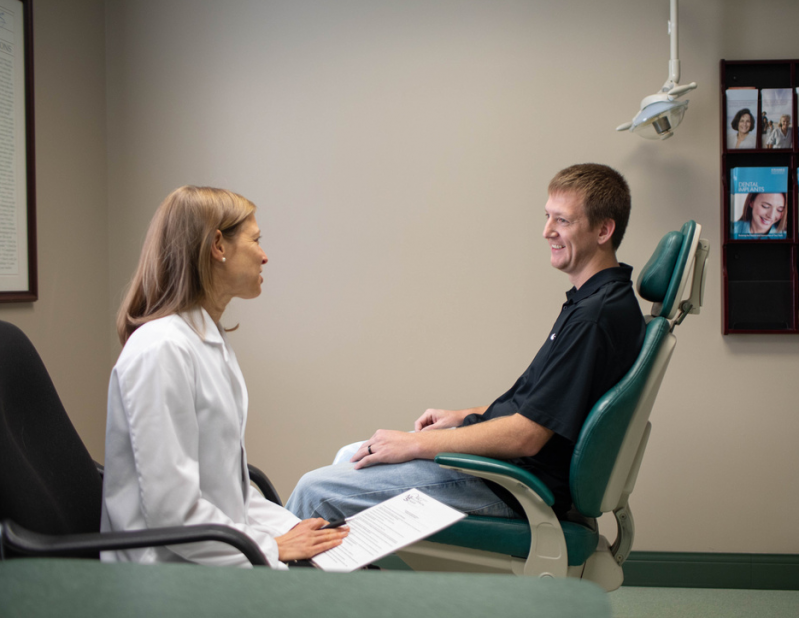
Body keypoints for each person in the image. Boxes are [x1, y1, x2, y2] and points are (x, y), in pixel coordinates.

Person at [286, 164, 646, 522]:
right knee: (350, 455)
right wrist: (462, 417)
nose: (546, 231)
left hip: (514, 484)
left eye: (562, 221)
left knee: (314, 490)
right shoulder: (595, 301)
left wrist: (415, 443)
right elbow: (542, 403)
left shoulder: (594, 317)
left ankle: (269, 579)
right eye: (547, 217)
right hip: (509, 469)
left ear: (603, 230)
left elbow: (527, 436)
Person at [101, 186, 348, 568]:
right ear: (218, 245)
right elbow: (174, 514)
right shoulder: (161, 351)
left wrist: (303, 532)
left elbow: (229, 497)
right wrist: (271, 548)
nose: (264, 256)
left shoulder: (206, 341)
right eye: (256, 240)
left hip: (210, 555)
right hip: (166, 576)